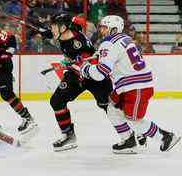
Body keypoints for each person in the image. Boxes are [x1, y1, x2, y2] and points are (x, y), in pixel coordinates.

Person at [79, 15, 181, 153]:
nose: (101, 31)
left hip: (135, 86)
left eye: (104, 28)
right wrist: (96, 57)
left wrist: (84, 69)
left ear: (113, 29)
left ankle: (165, 136)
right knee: (112, 108)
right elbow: (113, 56)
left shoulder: (108, 43)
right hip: (132, 85)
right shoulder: (125, 39)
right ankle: (128, 140)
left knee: (134, 121)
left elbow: (100, 74)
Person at [47, 13, 113, 152]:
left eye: (53, 27)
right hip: (76, 75)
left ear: (63, 28)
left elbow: (88, 63)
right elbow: (58, 31)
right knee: (57, 101)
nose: (51, 30)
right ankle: (69, 135)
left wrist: (70, 63)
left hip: (93, 75)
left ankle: (133, 131)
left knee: (109, 106)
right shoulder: (66, 33)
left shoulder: (78, 41)